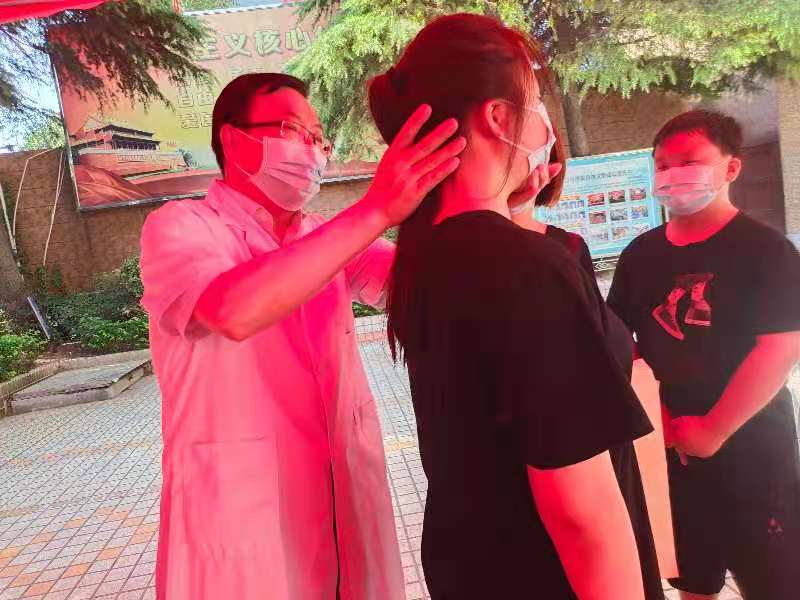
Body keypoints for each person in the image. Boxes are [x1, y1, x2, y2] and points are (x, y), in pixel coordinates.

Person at [139, 73, 465, 600]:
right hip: (244, 518)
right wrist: (375, 209)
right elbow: (232, 311)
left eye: (319, 139)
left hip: (341, 499)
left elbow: (426, 288)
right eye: (295, 131)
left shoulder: (323, 235)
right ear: (233, 140)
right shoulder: (181, 227)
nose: (312, 151)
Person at [369, 14, 654, 599]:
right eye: (535, 98)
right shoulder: (524, 266)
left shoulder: (430, 256)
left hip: (477, 567)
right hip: (546, 576)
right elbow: (582, 516)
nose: (544, 119)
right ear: (498, 117)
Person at [607, 110, 800, 600]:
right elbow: (622, 341)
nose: (673, 175)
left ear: (730, 168)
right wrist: (660, 421)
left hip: (756, 452)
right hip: (672, 455)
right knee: (692, 579)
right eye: (663, 165)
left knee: (775, 582)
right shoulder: (640, 255)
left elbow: (781, 345)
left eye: (689, 162)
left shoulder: (766, 250)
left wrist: (713, 429)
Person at [510, 162, 663, 599]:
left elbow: (602, 337)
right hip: (547, 463)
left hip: (602, 449)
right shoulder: (489, 260)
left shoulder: (567, 247)